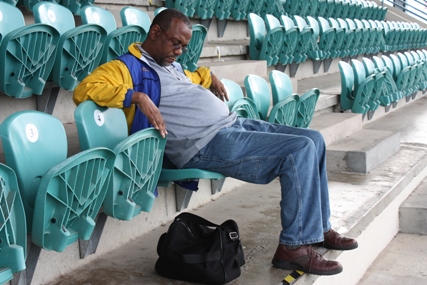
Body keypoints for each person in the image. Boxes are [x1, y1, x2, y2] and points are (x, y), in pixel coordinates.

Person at [74, 8, 358, 276]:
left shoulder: (170, 64)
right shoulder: (127, 67)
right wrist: (137, 97)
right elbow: (84, 89)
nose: (179, 51)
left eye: (184, 46)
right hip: (204, 144)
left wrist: (209, 76)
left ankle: (318, 229)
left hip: (232, 125)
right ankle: (293, 246)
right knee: (299, 150)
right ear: (155, 32)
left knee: (314, 138)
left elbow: (191, 78)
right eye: (175, 43)